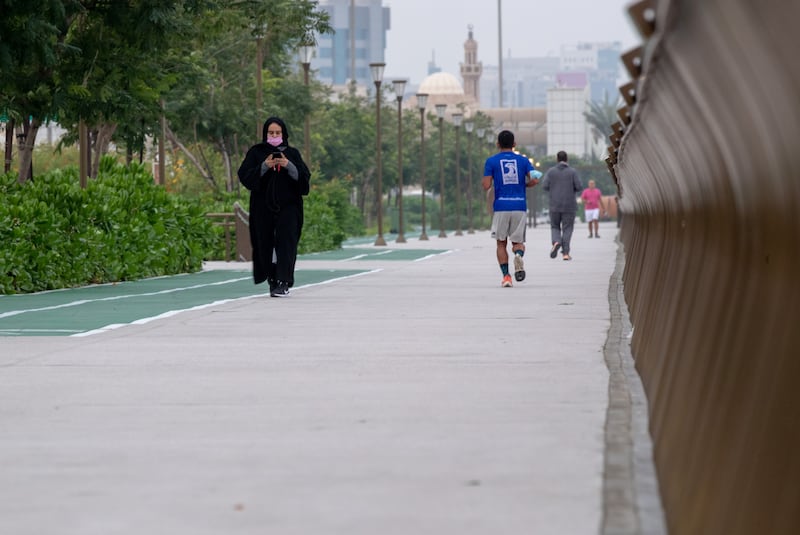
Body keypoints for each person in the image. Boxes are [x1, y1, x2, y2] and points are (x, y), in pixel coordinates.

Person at [237, 117, 311, 297]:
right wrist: (264, 166)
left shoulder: (292, 154)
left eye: (278, 133)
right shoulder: (257, 152)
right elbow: (245, 176)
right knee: (265, 243)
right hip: (263, 208)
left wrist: (288, 166)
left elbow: (304, 180)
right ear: (265, 134)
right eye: (271, 133)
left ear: (283, 134)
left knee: (286, 243)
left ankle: (283, 281)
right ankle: (272, 278)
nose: (274, 136)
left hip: (289, 208)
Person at [482, 130, 538, 287]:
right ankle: (518, 255)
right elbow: (536, 178)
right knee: (518, 242)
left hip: (501, 206)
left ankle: (506, 276)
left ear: (498, 144)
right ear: (514, 144)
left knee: (501, 243)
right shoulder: (524, 161)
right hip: (519, 205)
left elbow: (486, 185)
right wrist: (525, 185)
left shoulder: (491, 161)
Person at [541, 150, 582, 261]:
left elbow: (544, 186)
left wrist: (554, 188)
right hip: (569, 205)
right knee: (567, 228)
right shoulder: (572, 172)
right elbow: (578, 187)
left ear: (557, 159)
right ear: (566, 159)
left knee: (555, 226)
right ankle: (565, 253)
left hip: (554, 205)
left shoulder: (551, 172)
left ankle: (556, 241)